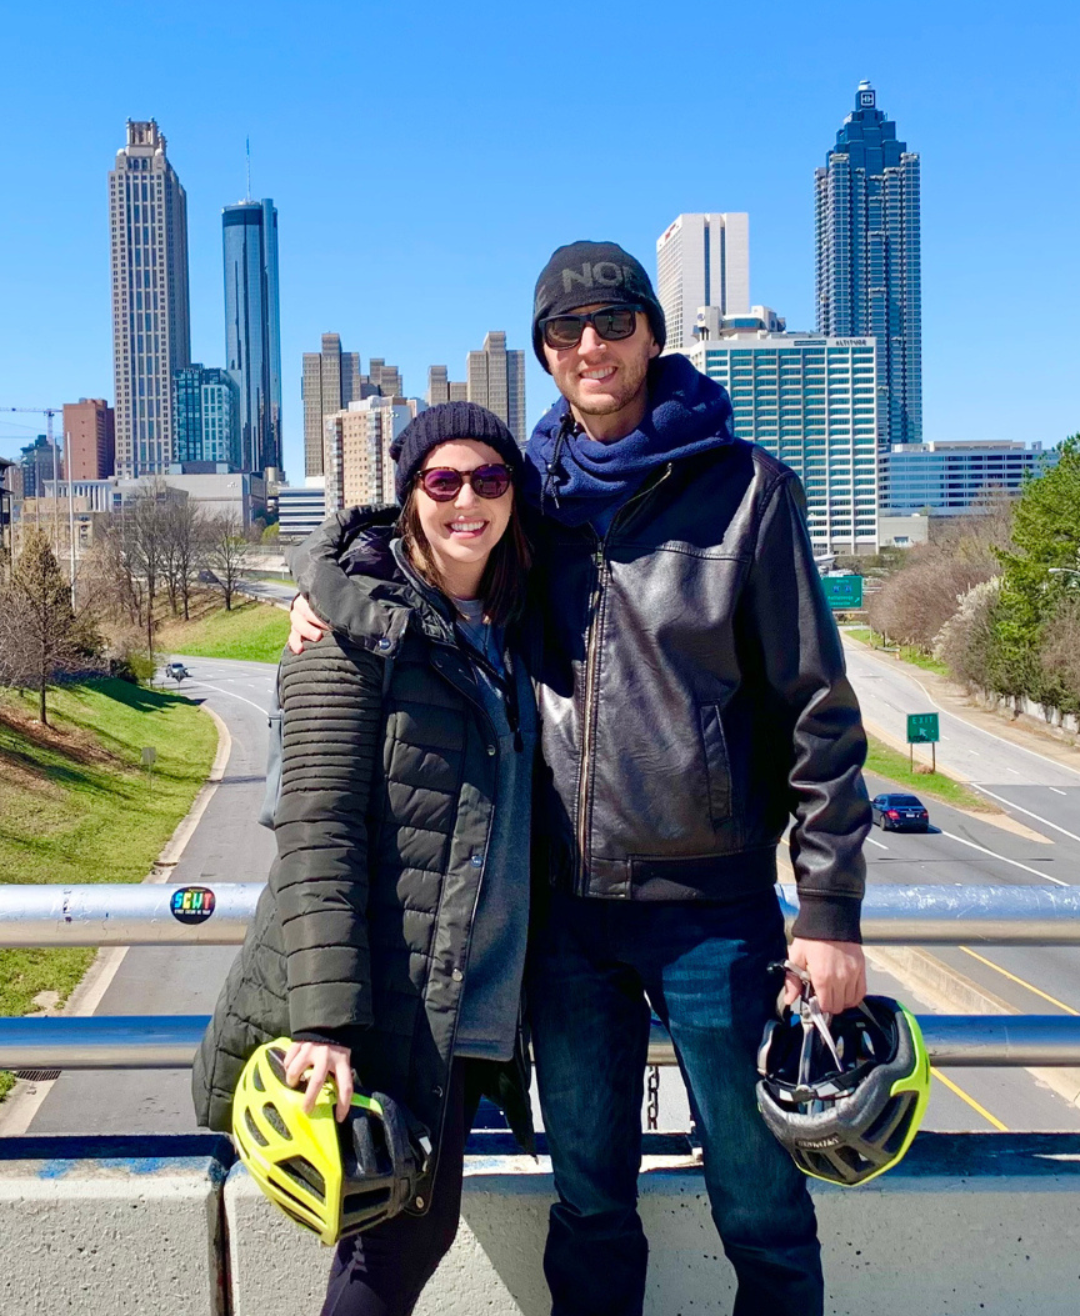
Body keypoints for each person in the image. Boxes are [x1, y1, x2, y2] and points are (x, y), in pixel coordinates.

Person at [288, 242, 871, 1316]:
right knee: (590, 1203)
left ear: (652, 332)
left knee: (761, 1204)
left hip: (714, 915)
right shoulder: (532, 494)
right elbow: (416, 544)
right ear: (547, 352)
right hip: (564, 919)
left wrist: (829, 910)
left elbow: (818, 714)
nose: (590, 344)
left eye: (612, 321)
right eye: (566, 329)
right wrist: (321, 593)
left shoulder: (748, 492)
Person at [193, 403, 539, 1316]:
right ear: (410, 494)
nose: (467, 500)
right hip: (384, 998)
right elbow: (316, 829)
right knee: (388, 1249)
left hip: (465, 993)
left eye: (490, 479)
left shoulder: (513, 623)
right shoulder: (349, 626)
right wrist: (326, 1024)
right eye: (443, 480)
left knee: (409, 1233)